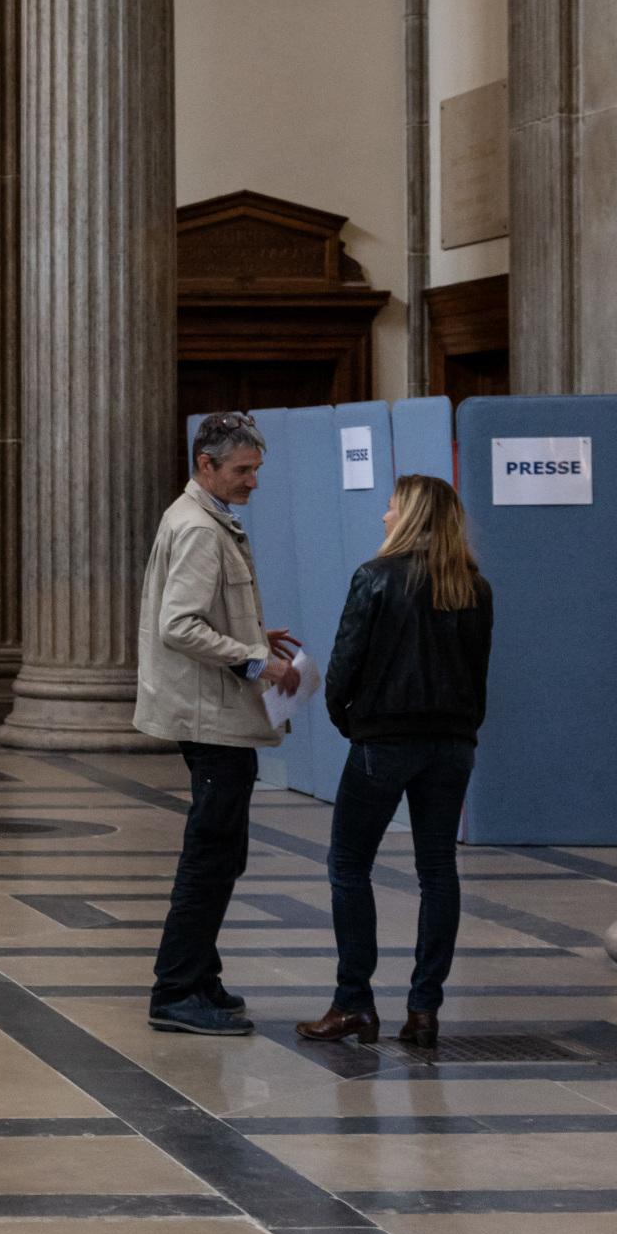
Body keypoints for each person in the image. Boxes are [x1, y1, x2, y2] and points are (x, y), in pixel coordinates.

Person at [298, 473, 495, 1049]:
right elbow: (478, 675)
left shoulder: (375, 577)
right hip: (452, 744)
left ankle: (354, 1002)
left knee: (348, 865)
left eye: (390, 508)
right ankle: (424, 1009)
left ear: (408, 517)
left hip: (384, 741)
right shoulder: (474, 588)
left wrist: (350, 722)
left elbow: (343, 666)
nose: (384, 517)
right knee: (437, 872)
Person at [133, 410, 304, 1037]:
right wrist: (254, 657)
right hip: (211, 719)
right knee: (211, 855)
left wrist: (253, 634)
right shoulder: (200, 529)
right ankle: (176, 990)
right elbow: (178, 625)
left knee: (223, 851)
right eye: (243, 470)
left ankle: (200, 975)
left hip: (212, 713)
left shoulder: (198, 518)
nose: (253, 481)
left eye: (256, 469)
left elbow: (200, 615)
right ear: (206, 465)